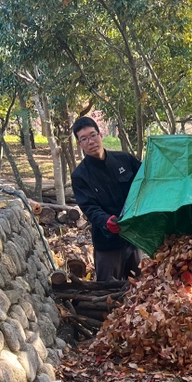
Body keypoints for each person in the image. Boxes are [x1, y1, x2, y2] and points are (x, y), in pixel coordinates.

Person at [71, 117, 143, 281]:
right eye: (84, 139)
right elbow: (89, 207)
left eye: (93, 135)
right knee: (108, 293)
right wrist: (106, 221)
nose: (91, 141)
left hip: (134, 238)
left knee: (141, 286)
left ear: (101, 135)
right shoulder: (80, 176)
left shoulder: (125, 159)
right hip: (107, 242)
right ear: (80, 144)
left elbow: (145, 181)